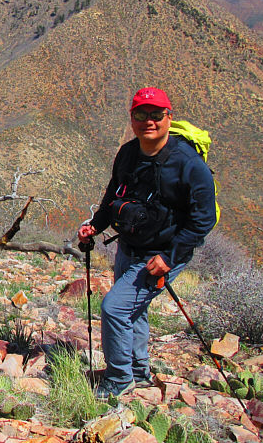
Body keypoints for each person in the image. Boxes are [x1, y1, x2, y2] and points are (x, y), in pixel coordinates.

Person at [77, 87, 217, 398]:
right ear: (132, 118)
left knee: (114, 308)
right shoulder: (128, 153)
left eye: (156, 114)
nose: (148, 121)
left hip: (161, 254)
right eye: (141, 114)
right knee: (133, 311)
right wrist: (95, 226)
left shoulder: (188, 164)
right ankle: (138, 372)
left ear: (169, 117)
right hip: (129, 246)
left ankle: (118, 378)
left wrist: (170, 257)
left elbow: (204, 219)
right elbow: (113, 196)